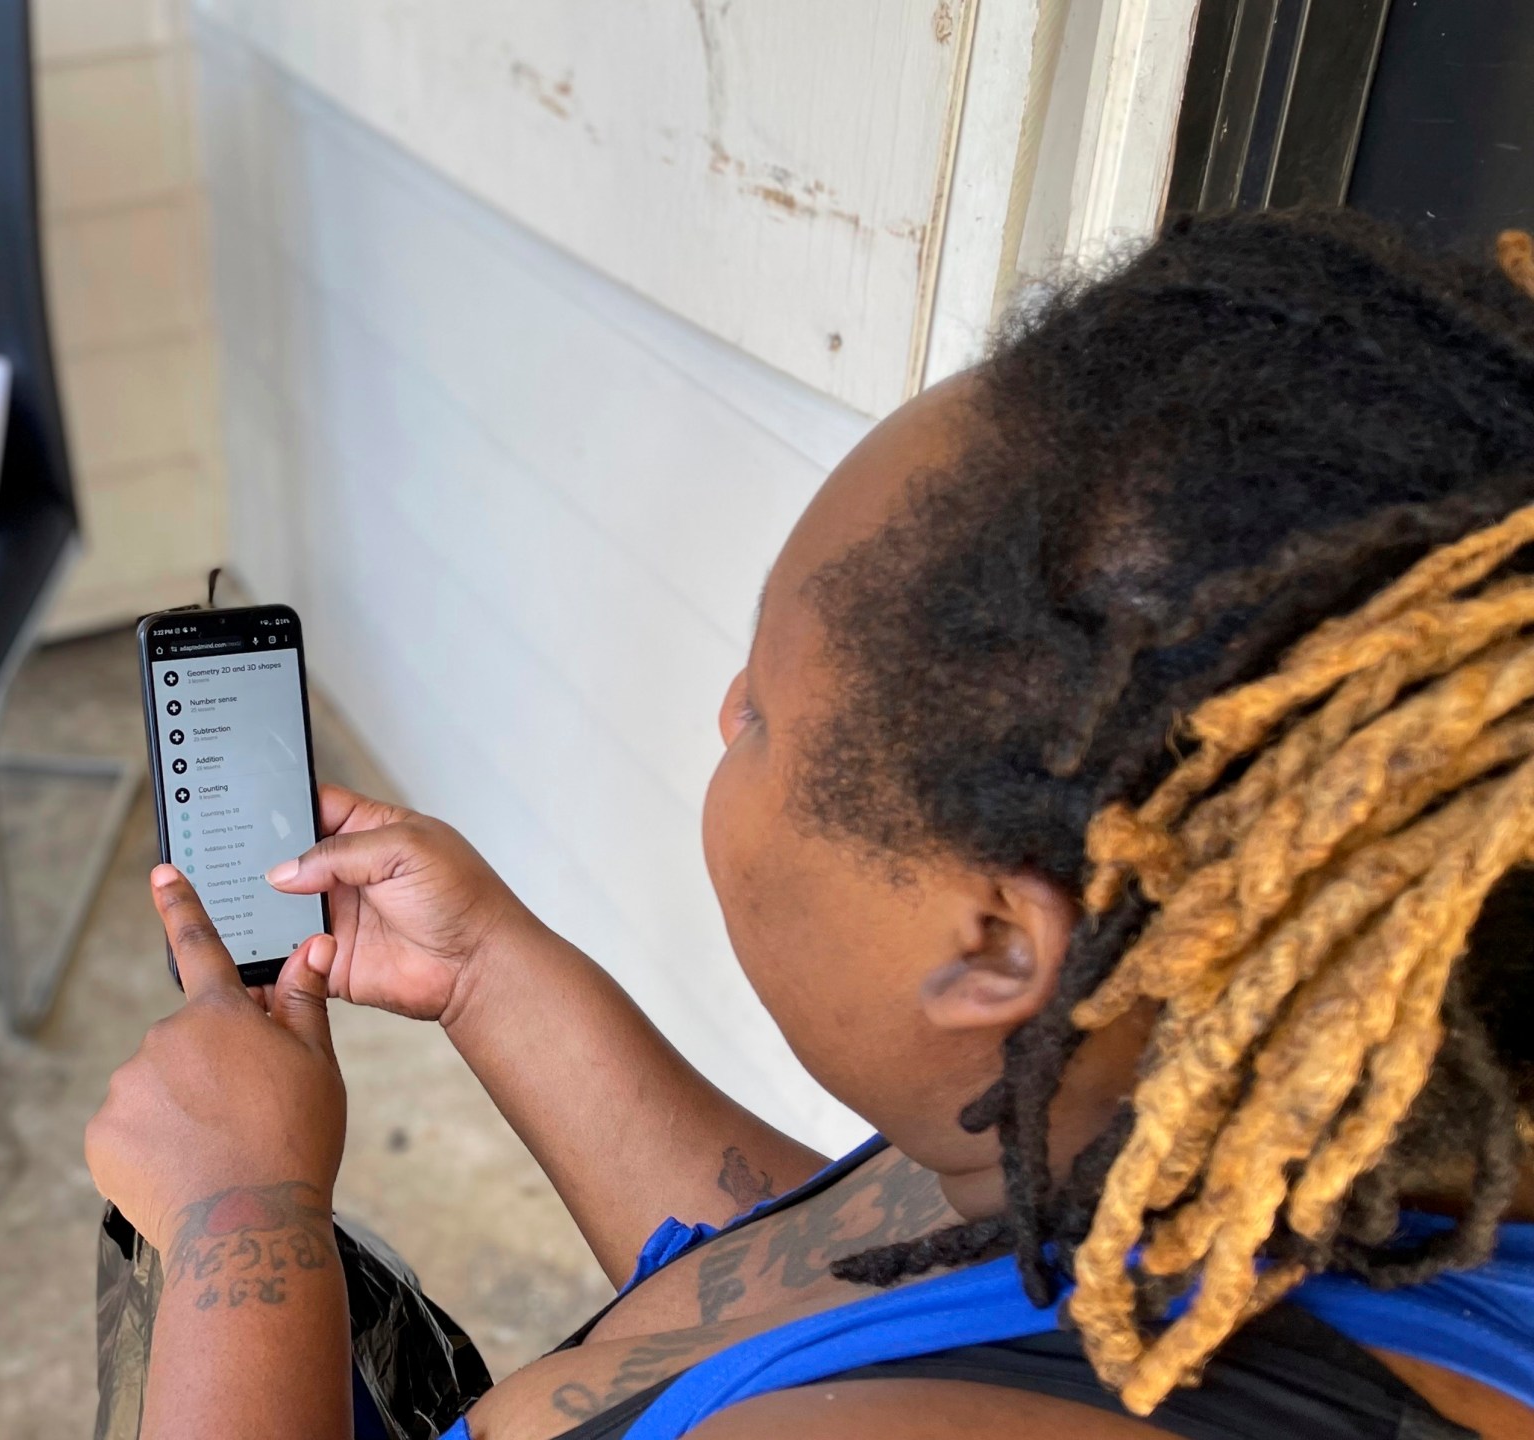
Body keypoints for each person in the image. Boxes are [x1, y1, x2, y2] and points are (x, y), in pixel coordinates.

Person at [85, 208, 1534, 1439]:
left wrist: (242, 1230)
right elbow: (816, 1291)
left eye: (769, 716)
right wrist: (488, 974)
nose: (728, 708)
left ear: (990, 946)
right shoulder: (1133, 1115)